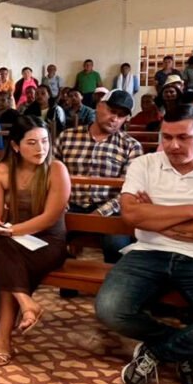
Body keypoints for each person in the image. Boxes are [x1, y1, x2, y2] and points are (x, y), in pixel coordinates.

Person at [95, 104, 193, 384]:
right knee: (110, 308)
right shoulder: (145, 164)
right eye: (166, 137)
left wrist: (157, 216)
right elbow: (131, 215)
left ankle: (156, 352)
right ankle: (184, 349)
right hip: (148, 252)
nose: (173, 145)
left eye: (183, 137)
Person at [0, 116, 71, 366]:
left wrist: (10, 232)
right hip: (15, 241)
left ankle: (3, 340)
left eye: (44, 141)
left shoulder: (56, 170)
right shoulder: (1, 171)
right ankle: (26, 303)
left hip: (49, 243)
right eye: (31, 142)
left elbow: (49, 218)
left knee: (0, 251)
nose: (40, 148)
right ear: (16, 146)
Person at [55, 91, 143, 263]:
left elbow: (129, 190)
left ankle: (111, 286)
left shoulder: (131, 146)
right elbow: (53, 176)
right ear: (98, 106)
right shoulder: (67, 137)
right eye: (111, 111)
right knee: (52, 237)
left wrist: (99, 213)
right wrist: (61, 204)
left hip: (111, 209)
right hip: (70, 204)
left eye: (121, 115)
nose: (115, 118)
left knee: (116, 244)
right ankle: (67, 287)